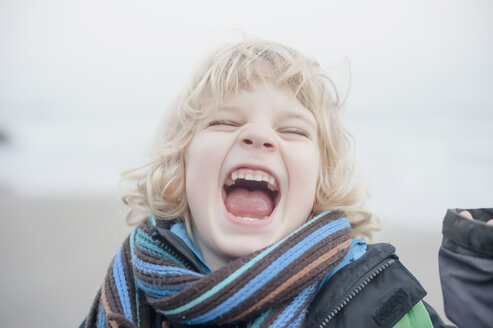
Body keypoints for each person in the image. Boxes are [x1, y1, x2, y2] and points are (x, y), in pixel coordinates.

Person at [82, 38, 466, 328]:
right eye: (225, 122)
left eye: (292, 130)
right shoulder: (128, 290)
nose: (258, 136)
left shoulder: (382, 302)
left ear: (320, 183)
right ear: (180, 165)